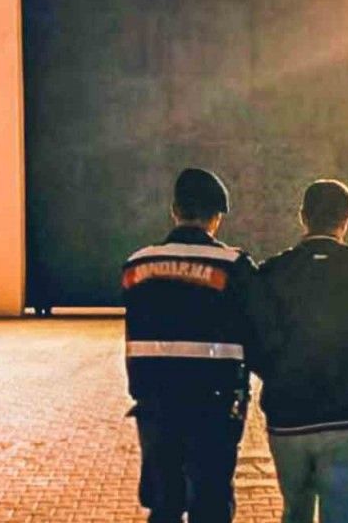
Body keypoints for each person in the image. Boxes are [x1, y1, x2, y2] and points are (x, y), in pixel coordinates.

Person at [246, 179, 348, 523]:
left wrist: (278, 375)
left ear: (303, 216)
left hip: (288, 414)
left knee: (296, 512)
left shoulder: (271, 273)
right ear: (347, 218)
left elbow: (254, 343)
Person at [121, 168, 259, 523]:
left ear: (174, 210)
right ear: (216, 218)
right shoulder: (234, 265)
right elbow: (255, 332)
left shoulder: (138, 264)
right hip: (213, 405)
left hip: (155, 404)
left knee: (164, 503)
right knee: (210, 502)